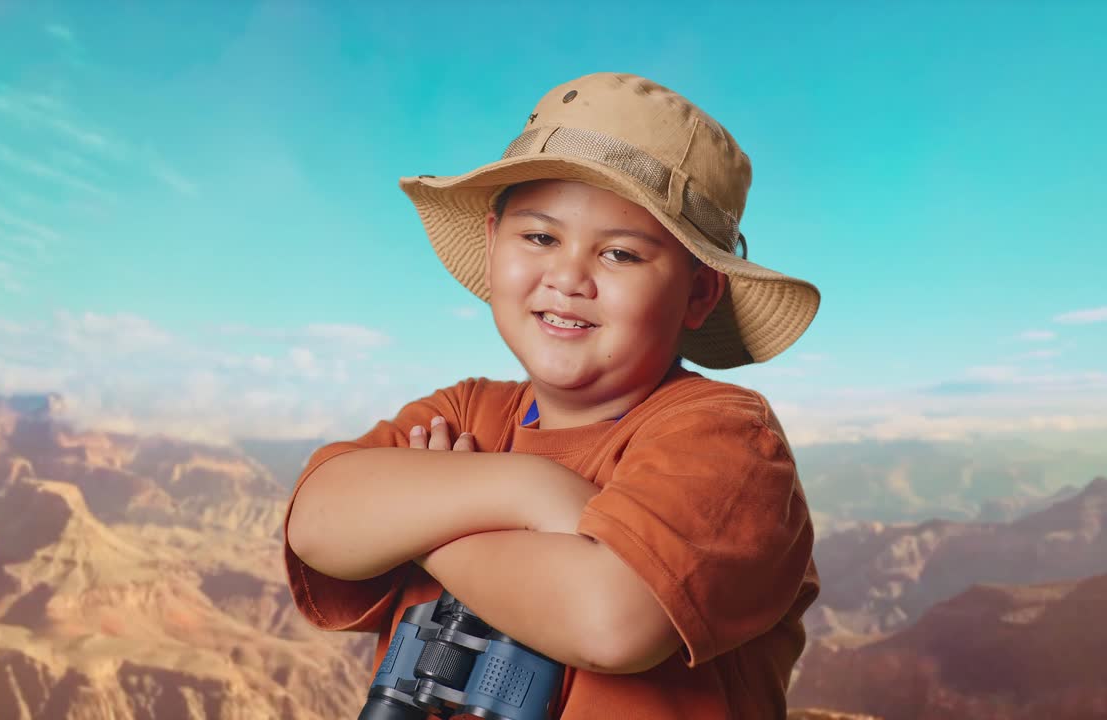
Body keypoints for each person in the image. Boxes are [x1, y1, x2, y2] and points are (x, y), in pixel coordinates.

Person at [283, 72, 821, 719]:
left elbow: (612, 622)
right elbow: (317, 523)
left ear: (700, 293)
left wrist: (426, 524)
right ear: (492, 243)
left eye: (621, 254)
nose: (568, 277)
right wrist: (526, 489)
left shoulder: (728, 439)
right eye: (540, 237)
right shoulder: (462, 411)